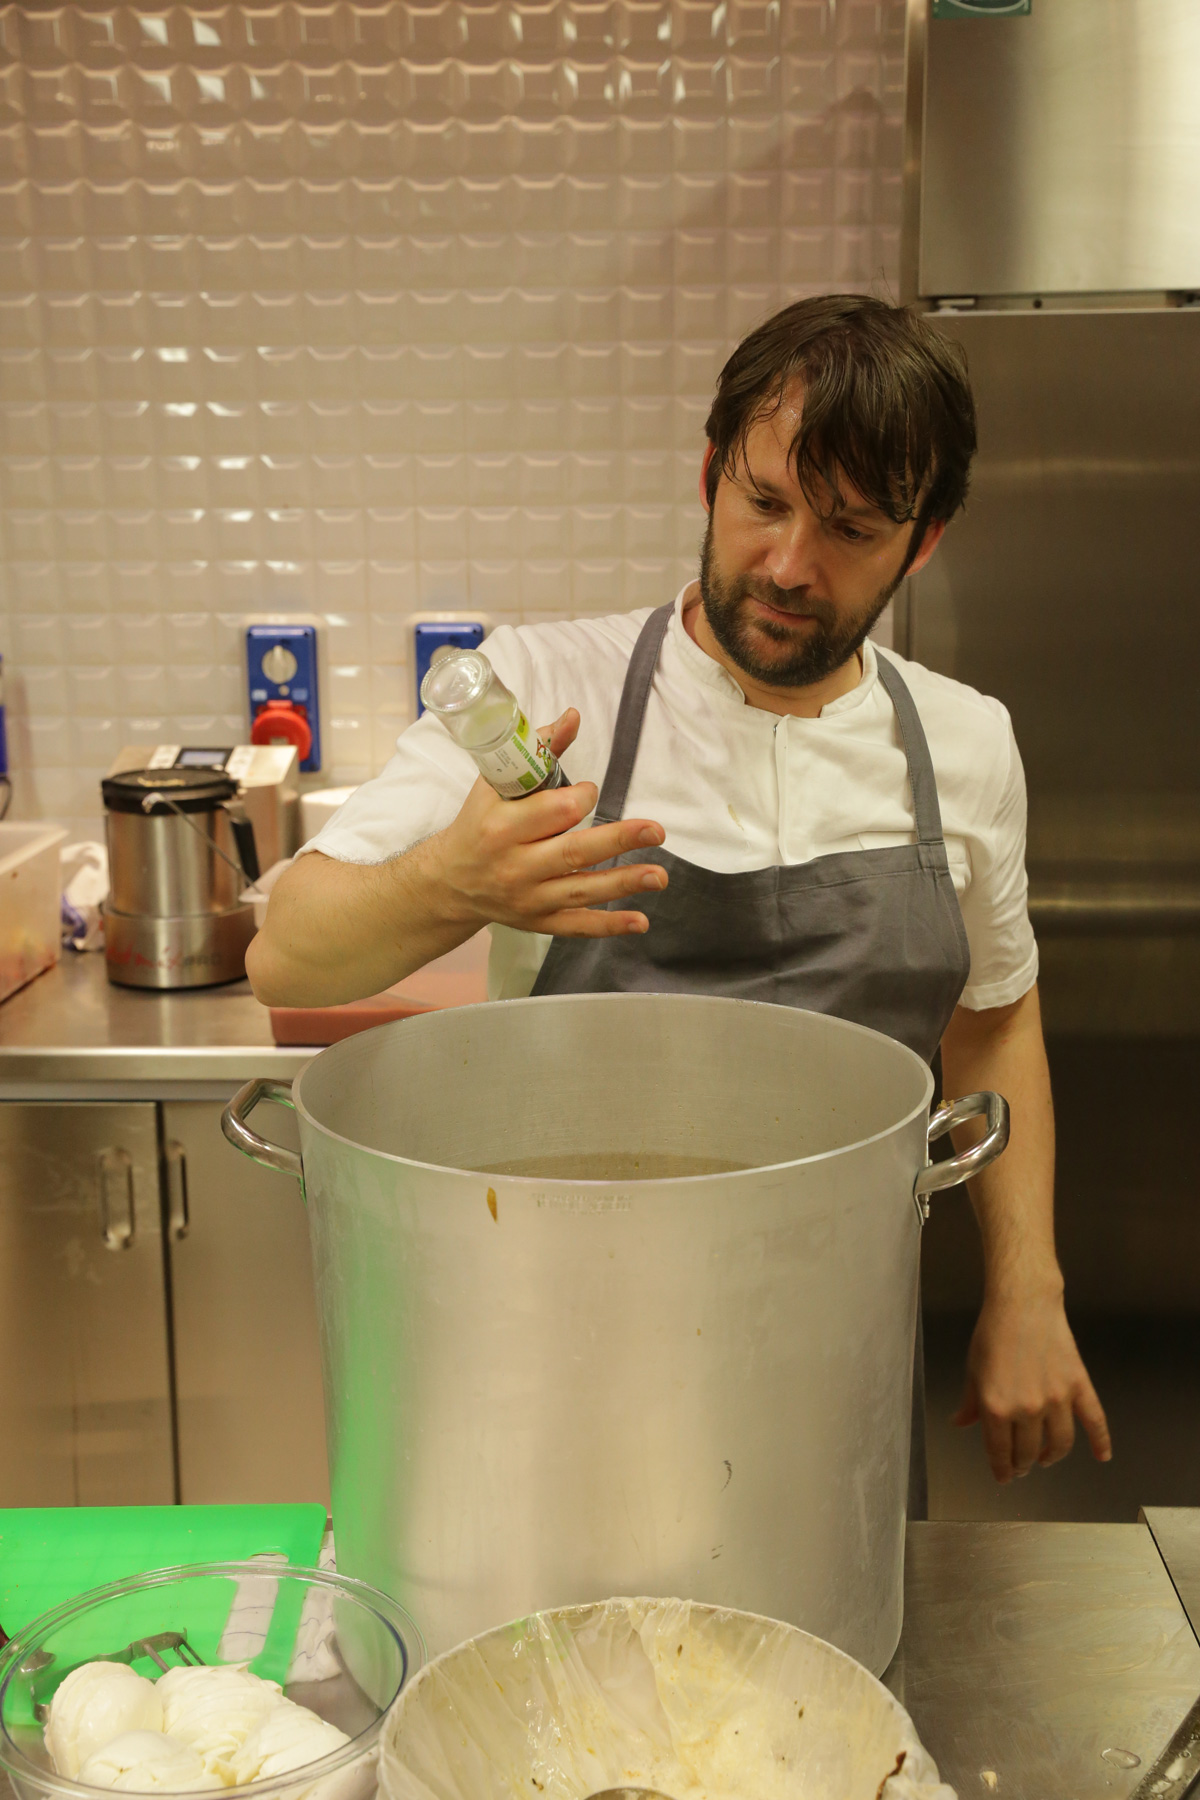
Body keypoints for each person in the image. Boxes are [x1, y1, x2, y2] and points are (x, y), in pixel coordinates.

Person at [248, 293, 1111, 1502]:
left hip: (839, 1369)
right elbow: (290, 956)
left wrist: (1029, 1285)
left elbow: (994, 1013)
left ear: (922, 544)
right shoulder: (543, 695)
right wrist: (456, 878)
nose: (790, 566)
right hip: (552, 1363)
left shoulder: (966, 746)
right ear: (711, 474)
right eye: (764, 503)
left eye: (853, 530)